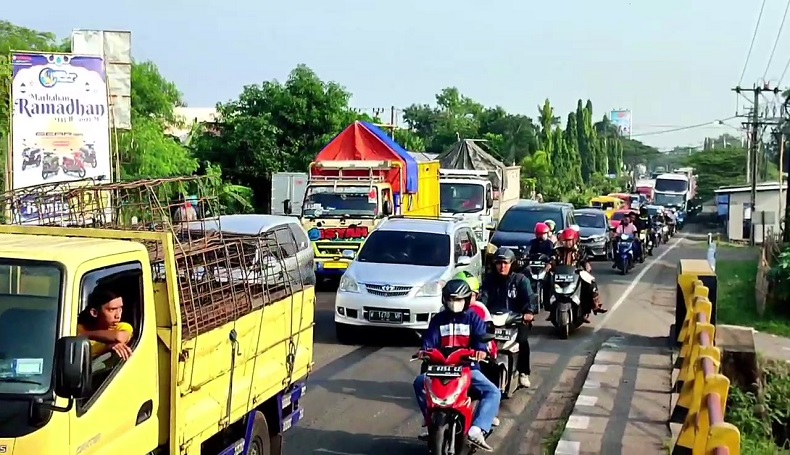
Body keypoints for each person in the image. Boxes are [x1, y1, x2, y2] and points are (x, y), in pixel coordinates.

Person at [414, 279, 501, 451]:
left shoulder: (473, 319)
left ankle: (478, 429)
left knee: (493, 392)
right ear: (444, 300)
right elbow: (429, 341)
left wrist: (480, 351)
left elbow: (480, 339)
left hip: (468, 369)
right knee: (418, 382)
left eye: (459, 300)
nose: (455, 304)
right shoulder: (438, 320)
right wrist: (424, 351)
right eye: (451, 300)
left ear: (467, 300)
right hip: (440, 369)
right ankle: (430, 421)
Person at [478, 247, 536, 389]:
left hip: (516, 320)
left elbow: (530, 299)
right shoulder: (489, 281)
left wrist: (528, 312)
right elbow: (483, 299)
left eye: (506, 263)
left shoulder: (521, 280)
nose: (502, 266)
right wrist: (478, 312)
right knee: (479, 342)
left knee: (522, 341)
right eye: (499, 263)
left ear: (512, 264)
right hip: (492, 321)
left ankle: (523, 372)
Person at [553, 228, 607, 323]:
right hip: (560, 274)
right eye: (565, 241)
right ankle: (550, 308)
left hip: (576, 273)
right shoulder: (558, 250)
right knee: (547, 282)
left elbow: (584, 259)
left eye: (569, 241)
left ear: (574, 240)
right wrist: (550, 265)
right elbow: (552, 259)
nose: (567, 243)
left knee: (591, 282)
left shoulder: (580, 250)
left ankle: (595, 305)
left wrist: (586, 264)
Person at [77, 288, 133, 360]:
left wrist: (86, 335)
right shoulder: (79, 328)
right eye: (111, 310)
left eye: (120, 309)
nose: (118, 316)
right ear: (94, 312)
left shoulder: (122, 327)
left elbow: (119, 337)